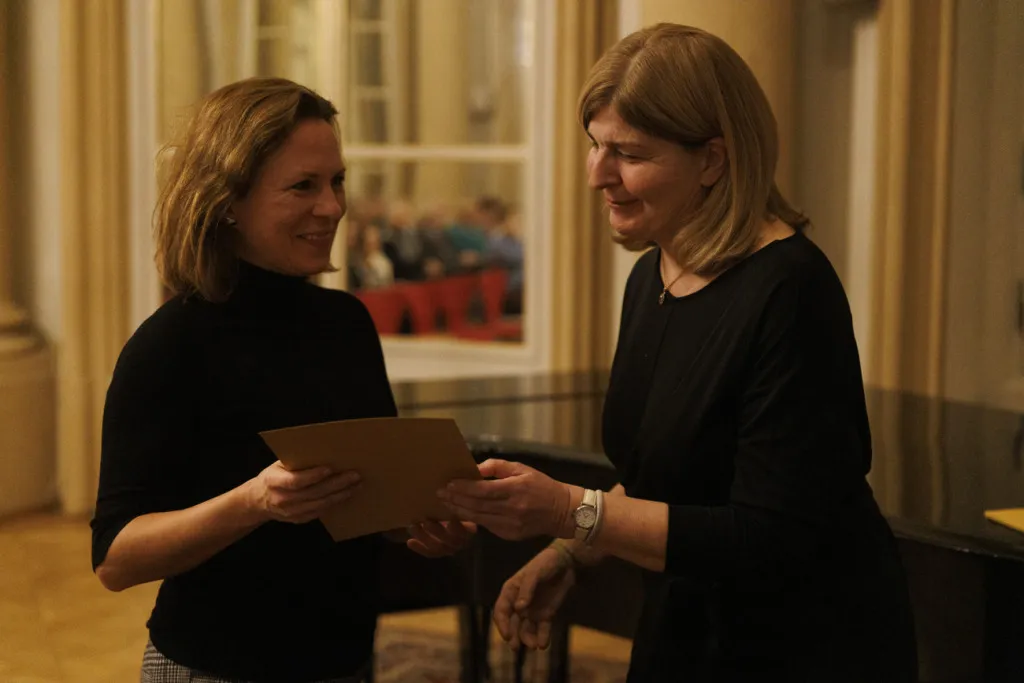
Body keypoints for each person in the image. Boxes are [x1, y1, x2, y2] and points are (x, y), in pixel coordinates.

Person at [439, 24, 917, 683]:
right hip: (689, 622)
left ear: (713, 160)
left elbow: (768, 535)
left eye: (628, 153)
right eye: (595, 145)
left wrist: (569, 509)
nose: (597, 175)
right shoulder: (652, 275)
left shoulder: (791, 290)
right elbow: (670, 474)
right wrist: (569, 551)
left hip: (804, 646)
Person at [90, 77, 474, 683]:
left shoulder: (346, 323)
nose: (333, 207)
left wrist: (421, 521)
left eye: (337, 181)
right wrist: (254, 502)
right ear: (227, 202)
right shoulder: (168, 346)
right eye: (303, 186)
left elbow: (364, 499)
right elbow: (115, 559)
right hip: (215, 669)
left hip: (346, 663)